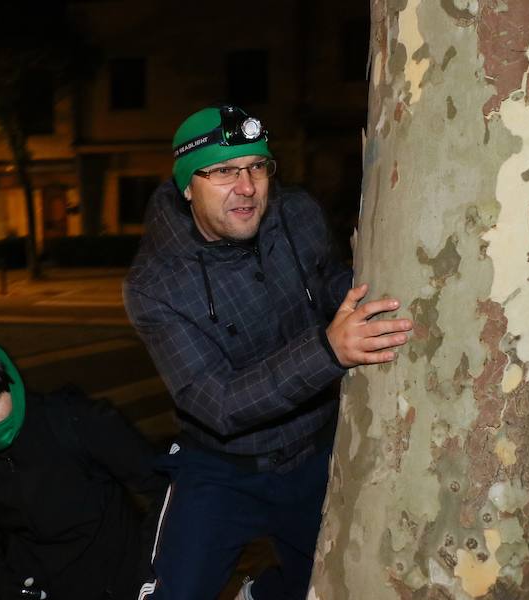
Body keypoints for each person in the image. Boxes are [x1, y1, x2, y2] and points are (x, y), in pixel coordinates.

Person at [123, 105, 413, 600]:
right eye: (223, 171)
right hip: (221, 470)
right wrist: (328, 349)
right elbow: (216, 402)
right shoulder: (155, 285)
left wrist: (361, 304)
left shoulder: (296, 214)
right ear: (187, 186)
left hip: (313, 454)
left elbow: (326, 280)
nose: (248, 186)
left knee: (322, 586)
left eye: (257, 165)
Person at [0, 338, 165, 600]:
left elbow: (162, 485)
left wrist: (151, 566)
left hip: (116, 583)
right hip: (43, 589)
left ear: (13, 386)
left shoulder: (74, 420)